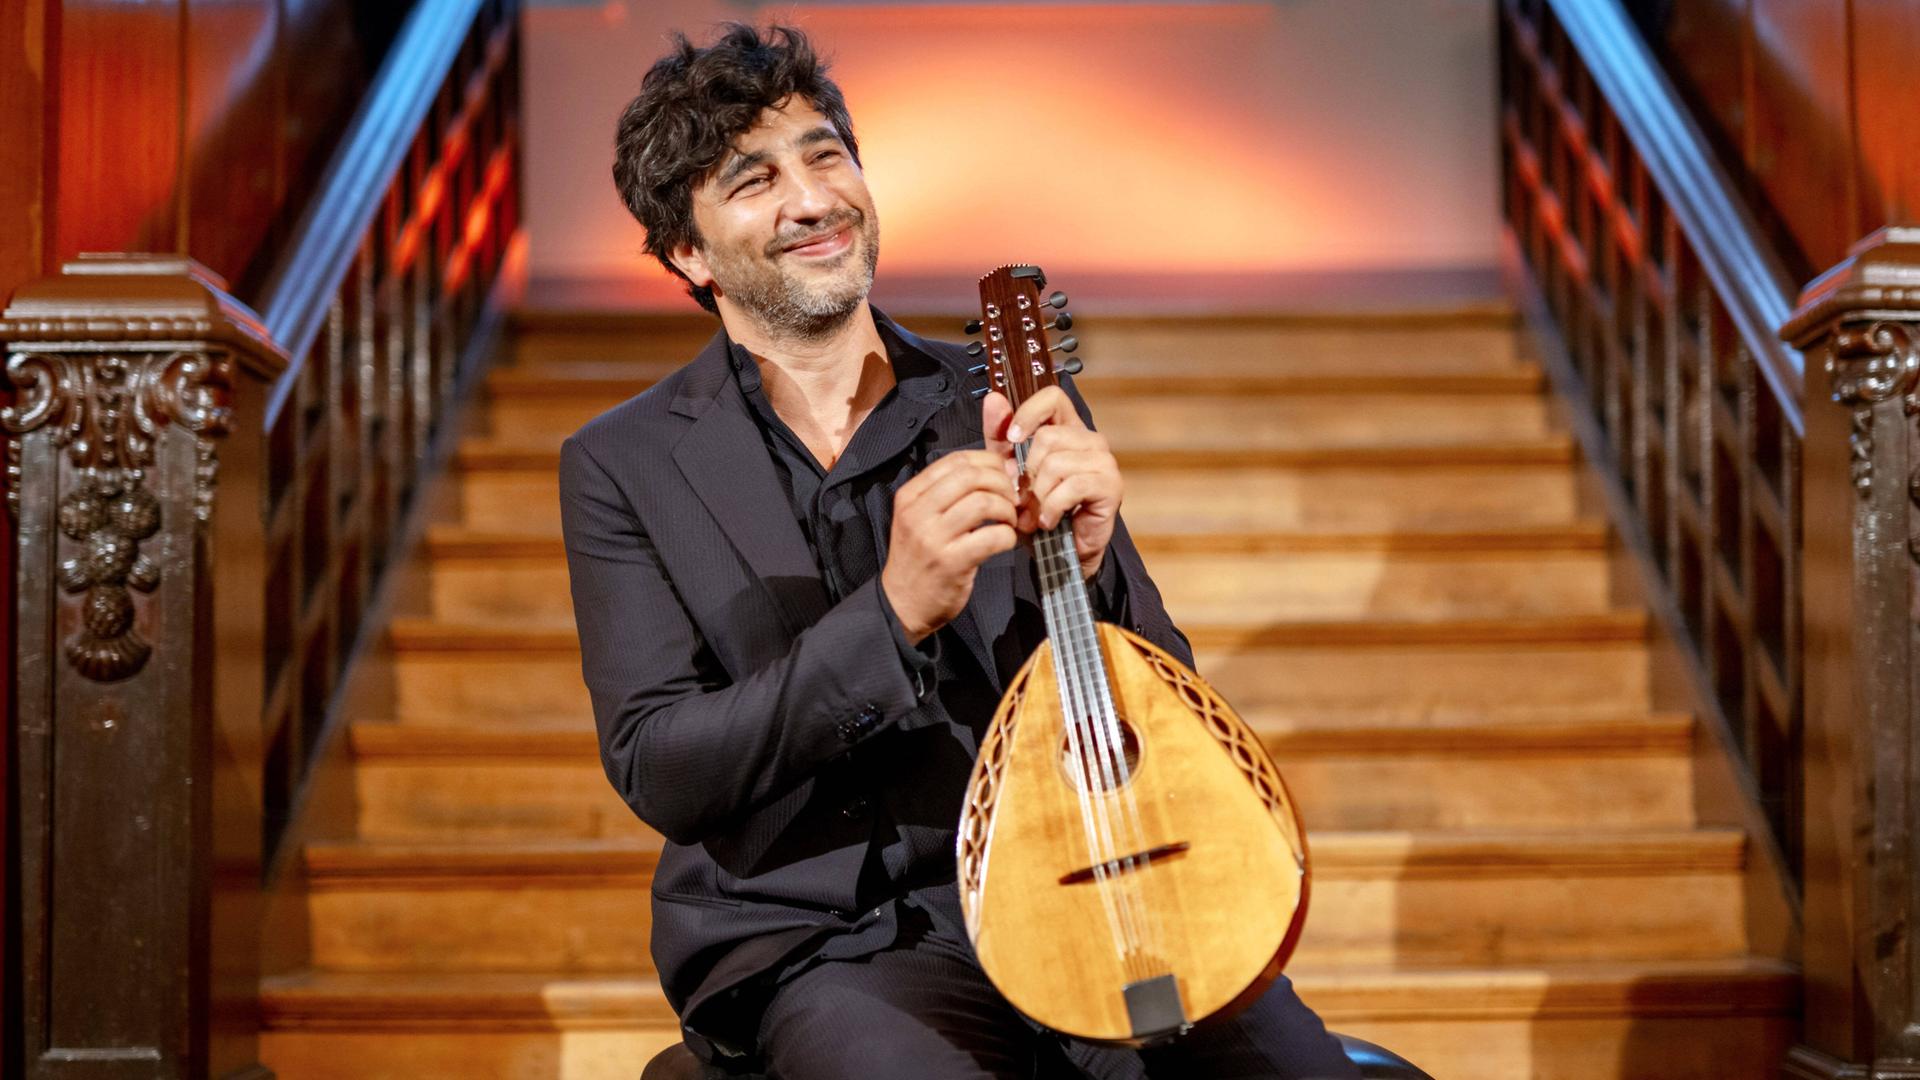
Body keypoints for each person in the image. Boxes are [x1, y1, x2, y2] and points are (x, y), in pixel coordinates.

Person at [561, 22, 1360, 1080]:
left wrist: (1098, 562)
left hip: (1083, 878)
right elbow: (663, 764)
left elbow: (1165, 695)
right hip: (837, 942)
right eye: (754, 180)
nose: (813, 199)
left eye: (827, 155)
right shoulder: (626, 464)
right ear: (687, 252)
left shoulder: (1003, 399)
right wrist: (887, 618)